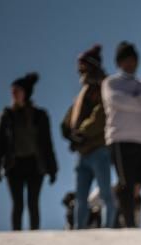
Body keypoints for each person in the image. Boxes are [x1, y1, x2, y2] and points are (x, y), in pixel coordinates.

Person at [102, 41, 141, 228]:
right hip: (120, 142)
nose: (130, 64)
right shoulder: (111, 82)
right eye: (126, 60)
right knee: (126, 186)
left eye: (133, 60)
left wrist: (138, 98)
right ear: (119, 62)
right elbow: (117, 100)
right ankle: (129, 225)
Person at [0, 73, 58, 231]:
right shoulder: (7, 115)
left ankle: (34, 237)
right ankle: (17, 237)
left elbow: (47, 143)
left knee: (33, 203)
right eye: (12, 91)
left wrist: (52, 168)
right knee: (18, 204)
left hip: (35, 165)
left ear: (26, 93)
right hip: (14, 165)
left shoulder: (39, 115)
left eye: (17, 90)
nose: (13, 94)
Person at [61, 44, 116, 230]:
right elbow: (71, 116)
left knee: (105, 193)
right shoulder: (83, 92)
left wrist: (82, 133)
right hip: (82, 152)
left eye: (83, 66)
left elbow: (100, 114)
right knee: (80, 196)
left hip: (99, 148)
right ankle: (78, 230)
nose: (80, 71)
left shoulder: (103, 87)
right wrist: (67, 130)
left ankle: (109, 227)